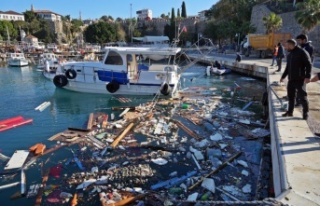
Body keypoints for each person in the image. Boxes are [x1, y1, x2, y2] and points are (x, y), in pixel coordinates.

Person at [280, 39, 312, 120]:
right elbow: (288, 67)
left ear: (291, 45)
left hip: (300, 79)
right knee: (291, 97)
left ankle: (305, 113)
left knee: (302, 97)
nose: (285, 47)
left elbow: (309, 64)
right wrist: (283, 76)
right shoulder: (290, 54)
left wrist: (308, 76)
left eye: (286, 46)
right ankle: (290, 112)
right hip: (291, 79)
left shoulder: (302, 52)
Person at [295, 34, 314, 106]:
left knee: (301, 87)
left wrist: (308, 75)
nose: (298, 42)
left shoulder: (308, 48)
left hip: (304, 71)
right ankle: (298, 100)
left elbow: (308, 62)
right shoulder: (302, 47)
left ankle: (302, 102)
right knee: (298, 86)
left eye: (299, 40)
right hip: (299, 70)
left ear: (304, 40)